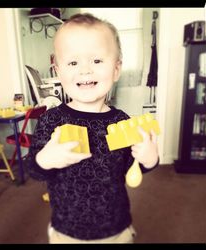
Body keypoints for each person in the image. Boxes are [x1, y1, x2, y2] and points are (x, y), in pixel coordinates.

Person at [27, 13, 159, 244]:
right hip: (66, 230)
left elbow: (132, 168)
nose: (85, 70)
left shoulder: (122, 122)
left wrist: (149, 159)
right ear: (58, 72)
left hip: (115, 228)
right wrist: (45, 160)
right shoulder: (51, 120)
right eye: (73, 62)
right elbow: (34, 170)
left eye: (97, 61)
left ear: (116, 69)